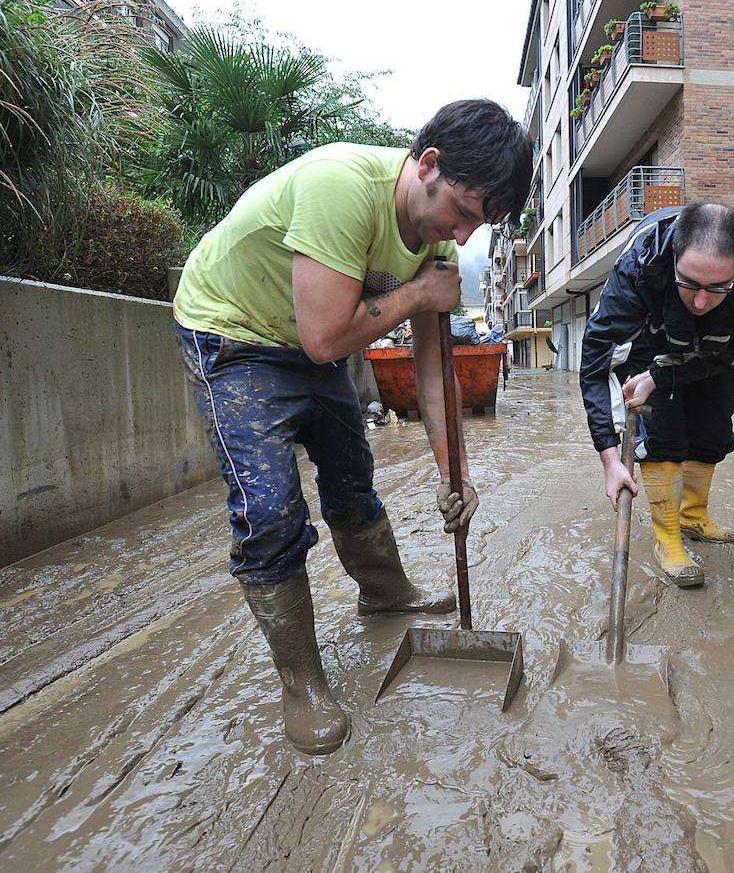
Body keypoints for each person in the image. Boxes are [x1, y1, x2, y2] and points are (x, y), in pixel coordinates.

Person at [172, 99, 531, 755]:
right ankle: (302, 682)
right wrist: (420, 295)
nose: (465, 236)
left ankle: (386, 592)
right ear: (428, 165)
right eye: (467, 212)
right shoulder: (342, 187)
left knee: (350, 469)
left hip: (310, 336)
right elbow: (324, 337)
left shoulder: (432, 239)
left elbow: (433, 375)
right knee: (268, 508)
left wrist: (457, 475)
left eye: (480, 224)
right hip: (232, 332)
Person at [580, 202, 734, 588]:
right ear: (673, 256)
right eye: (691, 283)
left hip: (719, 352)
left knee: (713, 428)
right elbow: (596, 359)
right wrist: (609, 456)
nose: (701, 301)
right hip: (652, 339)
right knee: (663, 429)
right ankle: (667, 538)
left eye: (717, 287)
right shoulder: (640, 263)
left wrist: (664, 375)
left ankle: (693, 516)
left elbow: (728, 353)